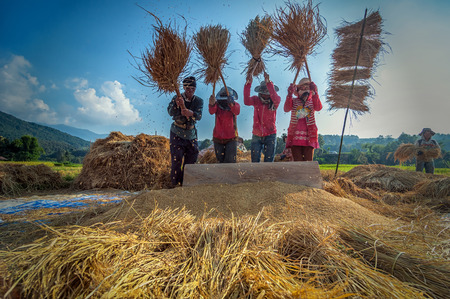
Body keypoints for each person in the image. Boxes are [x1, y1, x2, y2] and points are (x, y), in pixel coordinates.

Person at [167, 76, 204, 186]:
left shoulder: (198, 101)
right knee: (176, 160)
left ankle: (186, 184)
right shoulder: (176, 98)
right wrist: (177, 106)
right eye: (188, 89)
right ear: (183, 88)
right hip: (177, 133)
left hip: (191, 134)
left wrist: (191, 113)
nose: (190, 91)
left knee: (192, 160)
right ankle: (174, 185)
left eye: (193, 89)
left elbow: (199, 116)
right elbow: (170, 112)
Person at [244, 72, 281, 162]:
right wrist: (248, 85)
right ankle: (255, 176)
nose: (265, 94)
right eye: (264, 92)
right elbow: (246, 101)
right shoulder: (256, 100)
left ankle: (268, 176)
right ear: (260, 92)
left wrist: (269, 83)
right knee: (255, 160)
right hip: (257, 134)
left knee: (269, 160)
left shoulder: (275, 101)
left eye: (268, 92)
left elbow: (276, 98)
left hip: (270, 134)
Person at [284, 77, 322, 161]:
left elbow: (319, 108)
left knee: (308, 162)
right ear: (297, 91)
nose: (304, 89)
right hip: (295, 136)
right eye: (301, 88)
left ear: (310, 90)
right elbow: (286, 109)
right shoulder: (294, 101)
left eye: (307, 87)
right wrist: (289, 95)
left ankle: (309, 175)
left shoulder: (313, 101)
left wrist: (315, 93)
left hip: (309, 136)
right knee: (298, 162)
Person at [209, 86, 240, 163]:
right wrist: (211, 104)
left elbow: (237, 111)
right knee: (220, 162)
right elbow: (211, 111)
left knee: (230, 162)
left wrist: (232, 104)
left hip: (231, 138)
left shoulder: (235, 106)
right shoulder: (217, 106)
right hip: (218, 138)